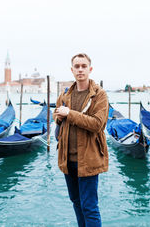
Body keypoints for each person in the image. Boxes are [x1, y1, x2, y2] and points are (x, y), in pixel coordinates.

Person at [53, 53, 109, 227]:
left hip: (88, 159)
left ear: (90, 69)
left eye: (83, 66)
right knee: (76, 203)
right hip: (67, 159)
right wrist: (59, 117)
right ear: (72, 70)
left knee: (89, 206)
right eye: (76, 66)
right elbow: (57, 115)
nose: (80, 70)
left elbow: (97, 124)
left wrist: (69, 113)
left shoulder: (99, 95)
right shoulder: (65, 95)